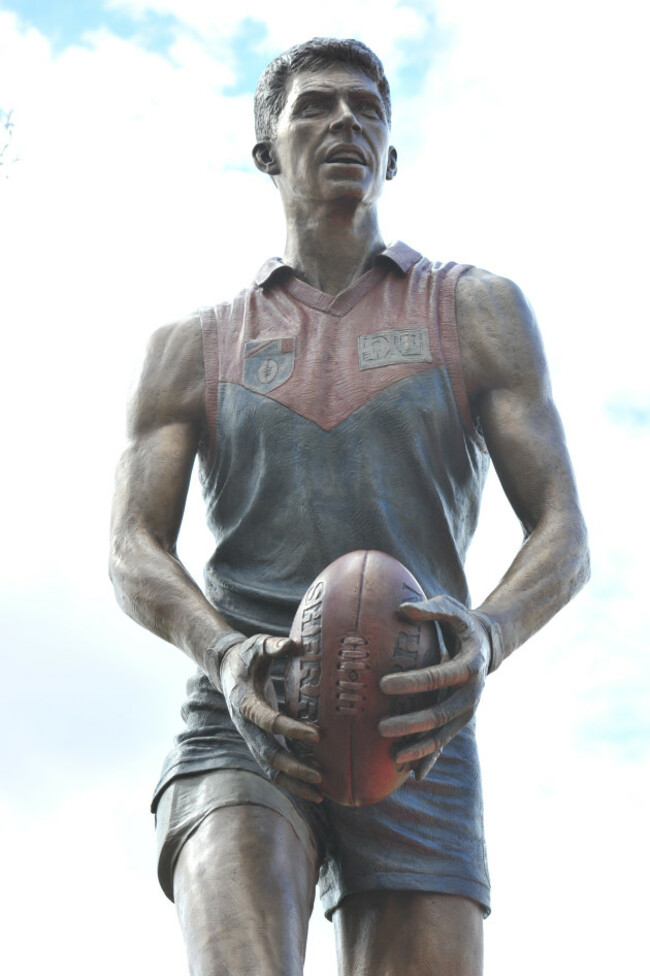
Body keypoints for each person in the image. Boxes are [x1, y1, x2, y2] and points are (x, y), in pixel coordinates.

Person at [110, 37, 589, 976]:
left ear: (392, 156)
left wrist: (484, 637)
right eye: (316, 107)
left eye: (368, 110)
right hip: (245, 707)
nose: (346, 122)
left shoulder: (476, 310)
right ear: (266, 151)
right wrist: (224, 650)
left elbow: (565, 533)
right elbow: (132, 545)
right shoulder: (193, 346)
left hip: (419, 719)